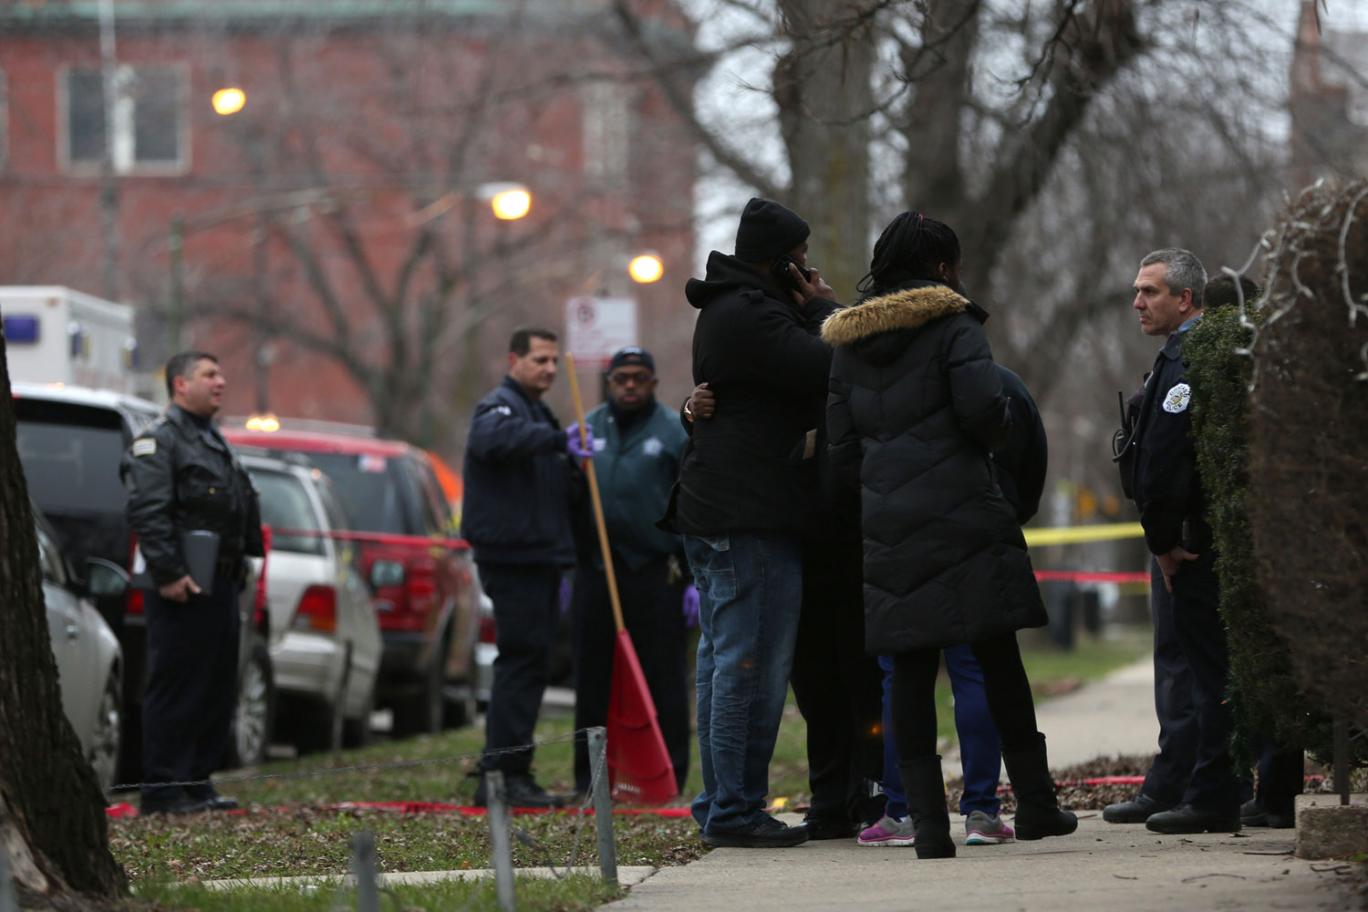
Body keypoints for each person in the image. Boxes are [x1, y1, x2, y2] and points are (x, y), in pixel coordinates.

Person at [821, 211, 1077, 858]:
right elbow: (983, 413)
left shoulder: (848, 347)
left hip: (890, 530)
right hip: (965, 514)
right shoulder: (956, 327)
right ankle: (1036, 805)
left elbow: (841, 453)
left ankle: (929, 827)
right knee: (996, 663)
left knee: (907, 672)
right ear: (941, 267)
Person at [672, 197, 838, 848]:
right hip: (748, 513)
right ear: (783, 264)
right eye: (801, 261)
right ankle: (736, 808)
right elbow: (829, 365)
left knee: (722, 658)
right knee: (750, 662)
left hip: (727, 506)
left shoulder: (733, 306)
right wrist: (822, 306)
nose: (809, 270)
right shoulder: (751, 312)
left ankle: (722, 800)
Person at [859, 363, 1047, 848]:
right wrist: (1007, 513)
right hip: (974, 542)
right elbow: (1031, 460)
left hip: (902, 546)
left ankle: (906, 811)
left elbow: (844, 456)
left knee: (903, 675)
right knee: (977, 671)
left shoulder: (881, 382)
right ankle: (981, 808)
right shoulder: (998, 382)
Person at [1111, 248, 1242, 834]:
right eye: (1137, 291)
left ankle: (1213, 793)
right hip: (1186, 539)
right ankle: (1199, 784)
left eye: (1150, 292)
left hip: (1191, 545)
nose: (1138, 302)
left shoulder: (1190, 360)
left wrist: (1163, 541)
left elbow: (1165, 461)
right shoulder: (1177, 356)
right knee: (1198, 668)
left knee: (1209, 673)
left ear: (1185, 299)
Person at [122, 351, 263, 815]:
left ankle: (197, 781)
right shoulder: (161, 441)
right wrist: (168, 574)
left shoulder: (211, 440)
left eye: (221, 373)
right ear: (180, 384)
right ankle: (163, 787)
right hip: (182, 584)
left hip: (220, 582)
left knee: (217, 685)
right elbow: (149, 511)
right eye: (209, 375)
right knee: (177, 683)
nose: (220, 381)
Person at [462, 327, 587, 807]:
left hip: (540, 557)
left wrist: (576, 465)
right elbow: (493, 441)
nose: (550, 370)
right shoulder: (500, 407)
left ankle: (511, 769)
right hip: (512, 557)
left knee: (530, 664)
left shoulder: (538, 412)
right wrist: (558, 440)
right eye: (540, 360)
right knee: (520, 664)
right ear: (514, 360)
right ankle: (502, 774)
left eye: (555, 361)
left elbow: (555, 486)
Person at [570, 346, 691, 795]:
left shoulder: (673, 432)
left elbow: (687, 506)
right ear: (610, 382)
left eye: (639, 377)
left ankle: (668, 777)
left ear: (653, 383)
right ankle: (591, 780)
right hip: (597, 571)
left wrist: (692, 578)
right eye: (621, 378)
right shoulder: (586, 429)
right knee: (593, 681)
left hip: (655, 574)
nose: (630, 385)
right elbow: (570, 499)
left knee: (664, 679)